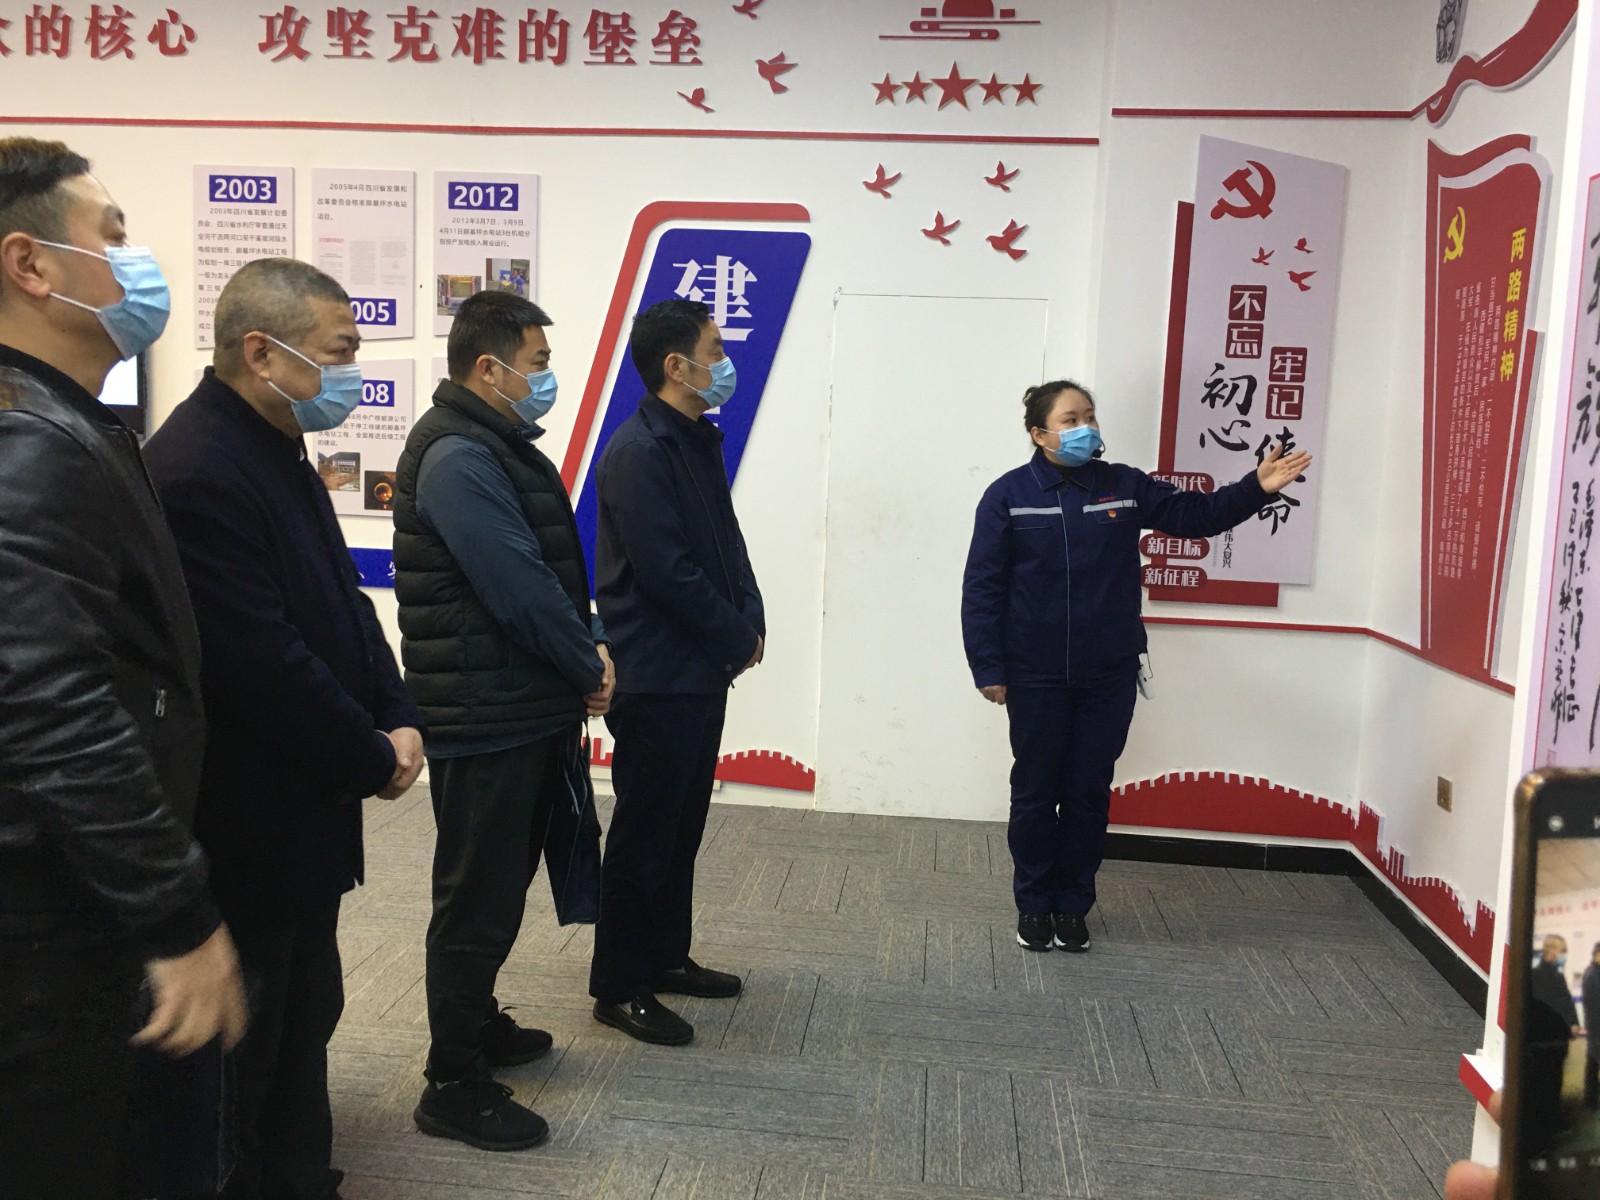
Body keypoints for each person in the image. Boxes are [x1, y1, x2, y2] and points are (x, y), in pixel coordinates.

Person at [143, 257, 424, 1200]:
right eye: (339, 351)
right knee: (251, 1044)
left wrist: (397, 712)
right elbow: (259, 663)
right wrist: (369, 753)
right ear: (262, 352)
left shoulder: (273, 447)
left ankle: (299, 1174)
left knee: (307, 1011)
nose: (353, 372)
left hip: (302, 813)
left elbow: (343, 603)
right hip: (247, 820)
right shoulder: (197, 469)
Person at [0, 136, 247, 1198]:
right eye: (113, 235)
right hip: (49, 923)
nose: (137, 261)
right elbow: (49, 703)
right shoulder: (31, 445)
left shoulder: (65, 424)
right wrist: (175, 915)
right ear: (31, 265)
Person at [961, 380, 1312, 953]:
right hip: (1035, 673)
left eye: (1090, 416)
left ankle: (1073, 906)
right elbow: (982, 587)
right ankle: (1034, 904)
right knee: (1034, 793)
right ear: (1040, 434)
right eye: (1071, 419)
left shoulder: (1123, 485)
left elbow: (1197, 515)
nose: (1086, 427)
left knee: (1087, 793)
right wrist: (988, 667)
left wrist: (1255, 487)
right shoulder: (1007, 496)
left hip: (1108, 672)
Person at [393, 290, 613, 1151]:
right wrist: (586, 662)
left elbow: (550, 576)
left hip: (517, 705)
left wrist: (582, 649)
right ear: (489, 369)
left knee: (498, 887)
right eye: (539, 364)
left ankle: (477, 1022)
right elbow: (517, 584)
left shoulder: (495, 444)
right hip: (484, 715)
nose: (547, 378)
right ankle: (452, 1084)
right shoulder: (458, 456)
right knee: (474, 900)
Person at [588, 298, 762, 1045]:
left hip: (699, 668)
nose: (723, 363)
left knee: (682, 825)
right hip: (658, 672)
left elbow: (727, 543)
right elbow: (667, 571)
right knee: (644, 833)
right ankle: (619, 985)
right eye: (714, 350)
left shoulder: (695, 438)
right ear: (676, 366)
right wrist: (734, 634)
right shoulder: (638, 451)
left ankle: (665, 956)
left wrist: (750, 617)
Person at [1525, 933, 1581, 1152]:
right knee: (1547, 1082)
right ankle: (1545, 1129)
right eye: (1561, 951)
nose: (1563, 956)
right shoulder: (1540, 977)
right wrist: (1569, 1025)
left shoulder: (1553, 976)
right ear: (1550, 951)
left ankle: (1550, 1122)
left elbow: (1566, 1003)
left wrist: (1574, 1023)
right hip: (1549, 1041)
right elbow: (1555, 1008)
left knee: (1552, 1081)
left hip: (1554, 1040)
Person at [1584, 941, 1600, 1108]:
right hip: (1596, 1026)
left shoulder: (1595, 973)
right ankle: (1590, 1100)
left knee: (1594, 1061)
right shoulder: (1592, 975)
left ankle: (1591, 1098)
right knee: (1593, 1062)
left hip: (1595, 1025)